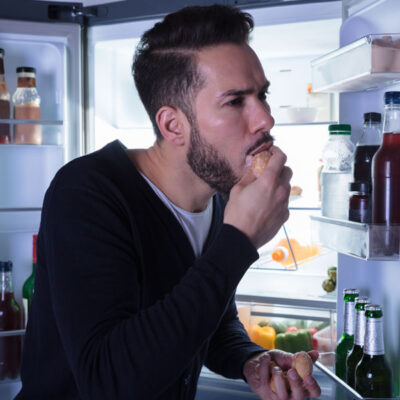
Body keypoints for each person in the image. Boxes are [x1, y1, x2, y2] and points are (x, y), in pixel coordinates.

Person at [16, 5, 321, 400]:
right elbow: (107, 380)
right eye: (235, 101)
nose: (265, 118)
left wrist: (249, 358)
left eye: (262, 95)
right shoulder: (87, 193)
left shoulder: (219, 195)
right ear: (173, 125)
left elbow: (208, 319)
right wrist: (239, 240)